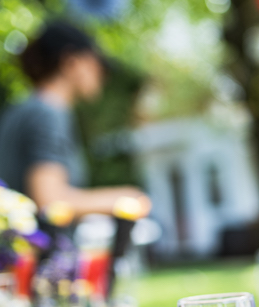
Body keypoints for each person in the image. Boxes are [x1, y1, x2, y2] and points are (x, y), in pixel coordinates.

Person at [0, 21, 151, 218]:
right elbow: (49, 201)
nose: (103, 75)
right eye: (99, 65)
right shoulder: (48, 113)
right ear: (71, 62)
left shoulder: (20, 110)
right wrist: (126, 197)